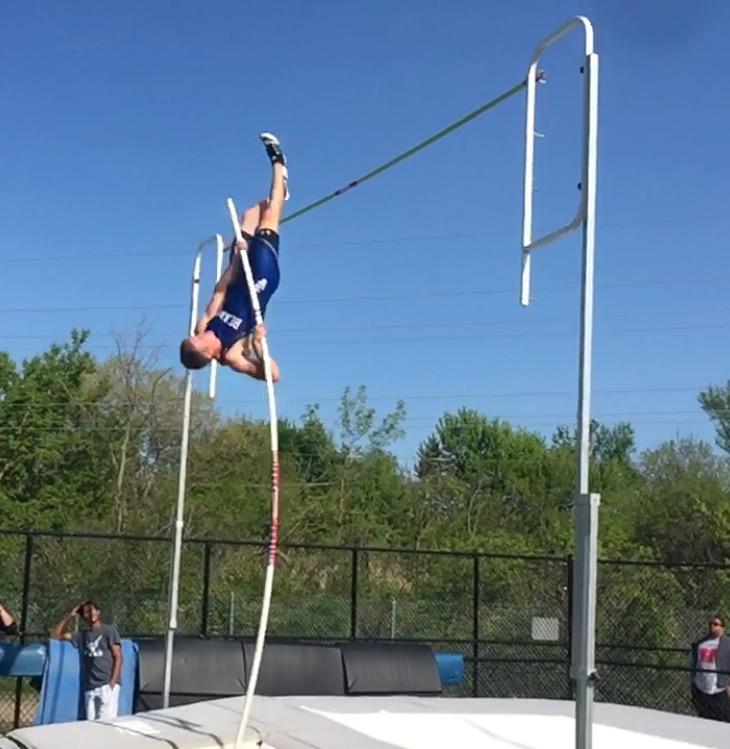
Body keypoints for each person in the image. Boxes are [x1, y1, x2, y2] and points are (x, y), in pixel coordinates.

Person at [179, 132, 288, 382]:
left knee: (250, 215)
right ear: (206, 352)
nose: (197, 332)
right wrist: (259, 347)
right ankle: (279, 162)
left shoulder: (205, 325)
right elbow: (274, 375)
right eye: (197, 339)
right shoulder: (232, 355)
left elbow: (220, 290)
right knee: (271, 213)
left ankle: (281, 193)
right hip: (261, 277)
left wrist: (238, 258)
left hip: (239, 273)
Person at [50, 600, 123, 721]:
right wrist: (70, 616)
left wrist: (112, 683)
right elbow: (55, 636)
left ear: (98, 612)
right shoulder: (81, 636)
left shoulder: (109, 631)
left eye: (92, 610)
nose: (90, 613)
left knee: (106, 724)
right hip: (90, 687)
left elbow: (118, 657)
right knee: (90, 725)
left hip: (106, 684)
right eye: (86, 612)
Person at [689, 614, 730, 722]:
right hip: (701, 688)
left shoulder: (727, 644)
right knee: (704, 720)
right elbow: (693, 663)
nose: (712, 626)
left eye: (716, 624)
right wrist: (693, 682)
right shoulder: (700, 644)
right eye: (710, 624)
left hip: (719, 689)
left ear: (722, 627)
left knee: (723, 720)